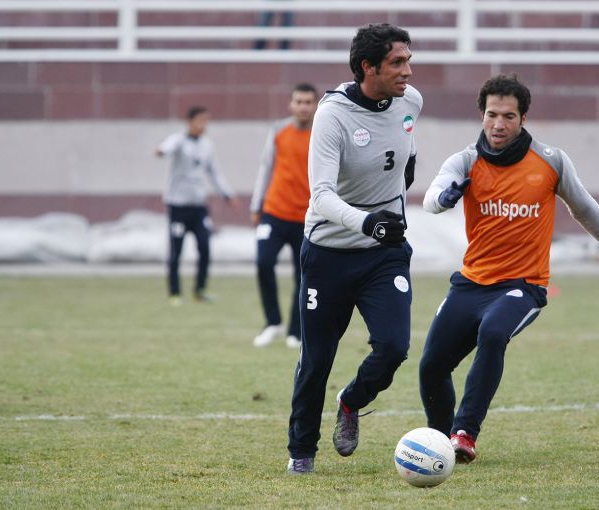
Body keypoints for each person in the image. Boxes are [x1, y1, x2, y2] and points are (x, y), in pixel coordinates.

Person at [419, 74, 599, 464]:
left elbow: (584, 206)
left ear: (523, 118)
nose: (498, 124)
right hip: (471, 283)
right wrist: (445, 197)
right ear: (481, 114)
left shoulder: (550, 161)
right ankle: (441, 443)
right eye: (492, 115)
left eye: (508, 116)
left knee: (493, 333)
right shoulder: (466, 160)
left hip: (523, 285)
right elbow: (431, 197)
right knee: (431, 367)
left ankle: (464, 433)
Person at [286, 23, 422, 475]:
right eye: (397, 62)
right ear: (368, 67)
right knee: (317, 360)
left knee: (394, 347)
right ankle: (301, 451)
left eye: (408, 60)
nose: (408, 70)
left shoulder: (411, 101)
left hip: (385, 253)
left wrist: (401, 181)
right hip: (328, 253)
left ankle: (351, 400)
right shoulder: (333, 115)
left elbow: (404, 150)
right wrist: (368, 221)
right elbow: (321, 196)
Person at [250, 83, 318, 349]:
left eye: (308, 102)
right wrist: (256, 205)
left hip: (306, 218)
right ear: (291, 104)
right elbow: (265, 168)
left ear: (316, 105)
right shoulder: (278, 131)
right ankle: (273, 322)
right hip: (274, 212)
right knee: (263, 261)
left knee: (303, 275)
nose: (303, 107)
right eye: (299, 101)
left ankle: (295, 332)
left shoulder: (322, 133)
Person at [155, 105, 238, 306]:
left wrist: (227, 193)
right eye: (200, 120)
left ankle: (200, 290)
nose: (203, 125)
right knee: (176, 250)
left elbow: (214, 172)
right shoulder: (179, 140)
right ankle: (175, 293)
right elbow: (167, 146)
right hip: (178, 206)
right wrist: (162, 150)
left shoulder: (207, 145)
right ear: (190, 122)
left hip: (199, 207)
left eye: (206, 121)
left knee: (205, 247)